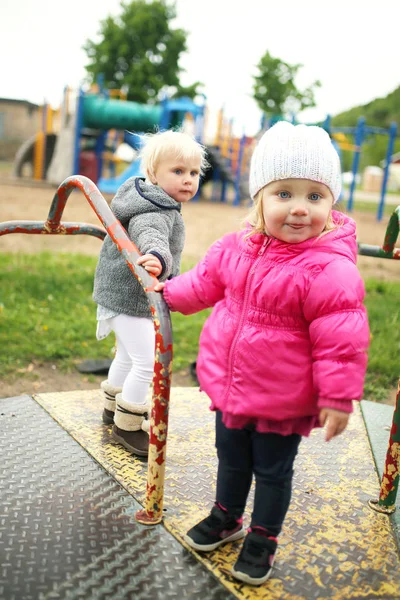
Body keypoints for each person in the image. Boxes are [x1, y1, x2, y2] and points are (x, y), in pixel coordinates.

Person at [154, 121, 370, 586]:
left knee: (272, 472)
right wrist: (164, 294)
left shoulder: (329, 269)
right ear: (260, 199)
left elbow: (342, 342)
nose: (299, 209)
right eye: (284, 194)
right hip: (232, 389)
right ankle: (227, 515)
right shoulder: (234, 249)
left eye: (315, 197)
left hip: (282, 399)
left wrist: (336, 396)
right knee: (230, 457)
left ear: (332, 204)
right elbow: (200, 286)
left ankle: (263, 537)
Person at [93, 129, 208, 457]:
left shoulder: (148, 198)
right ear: (153, 174)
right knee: (148, 362)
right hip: (130, 298)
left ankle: (111, 408)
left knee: (128, 357)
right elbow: (151, 234)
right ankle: (127, 426)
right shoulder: (156, 209)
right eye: (178, 171)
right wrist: (157, 258)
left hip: (117, 293)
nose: (188, 179)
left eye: (193, 173)